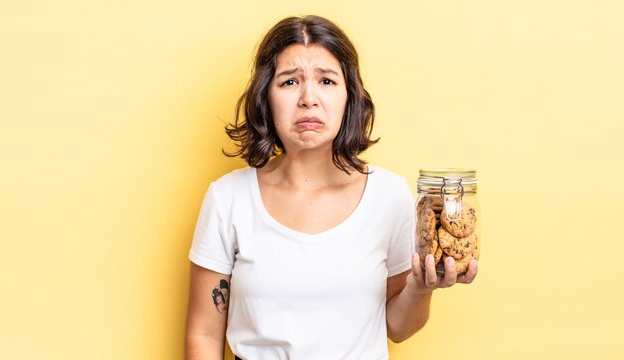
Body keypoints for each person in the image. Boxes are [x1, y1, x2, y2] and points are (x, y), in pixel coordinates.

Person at [185, 15, 478, 360]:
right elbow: (204, 334)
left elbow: (398, 328)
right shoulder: (228, 197)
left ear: (348, 96)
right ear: (266, 96)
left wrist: (420, 288)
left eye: (326, 80)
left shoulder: (390, 196)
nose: (309, 98)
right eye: (290, 82)